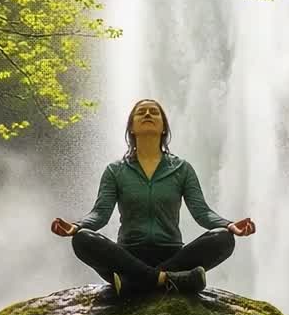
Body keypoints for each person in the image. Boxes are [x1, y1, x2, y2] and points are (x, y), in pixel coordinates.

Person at [51, 98, 257, 295]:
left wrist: (229, 225)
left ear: (164, 128)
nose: (147, 113)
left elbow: (202, 212)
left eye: (154, 112)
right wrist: (76, 227)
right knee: (82, 239)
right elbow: (100, 214)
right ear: (131, 128)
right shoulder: (115, 171)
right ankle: (168, 280)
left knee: (223, 239)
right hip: (127, 257)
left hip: (174, 255)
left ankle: (135, 283)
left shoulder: (181, 169)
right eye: (141, 112)